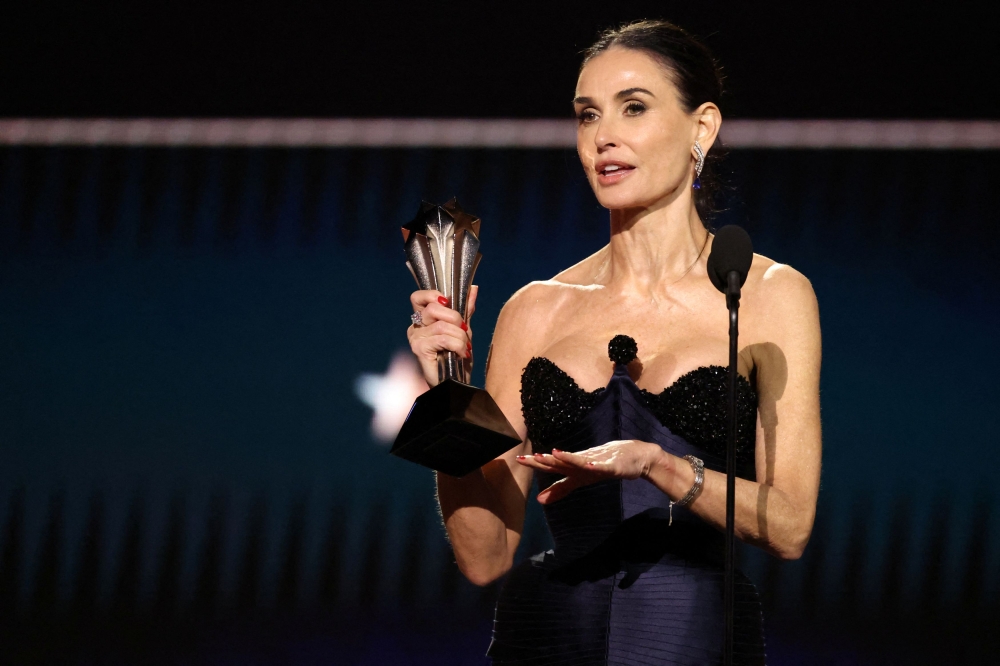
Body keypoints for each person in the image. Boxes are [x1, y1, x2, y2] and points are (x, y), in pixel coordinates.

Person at [405, 19, 821, 666]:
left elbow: (790, 527)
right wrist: (448, 394)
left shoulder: (769, 295)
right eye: (586, 115)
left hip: (697, 642)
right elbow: (483, 554)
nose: (604, 137)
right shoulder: (535, 310)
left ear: (701, 128)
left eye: (634, 108)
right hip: (546, 638)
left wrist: (656, 463)